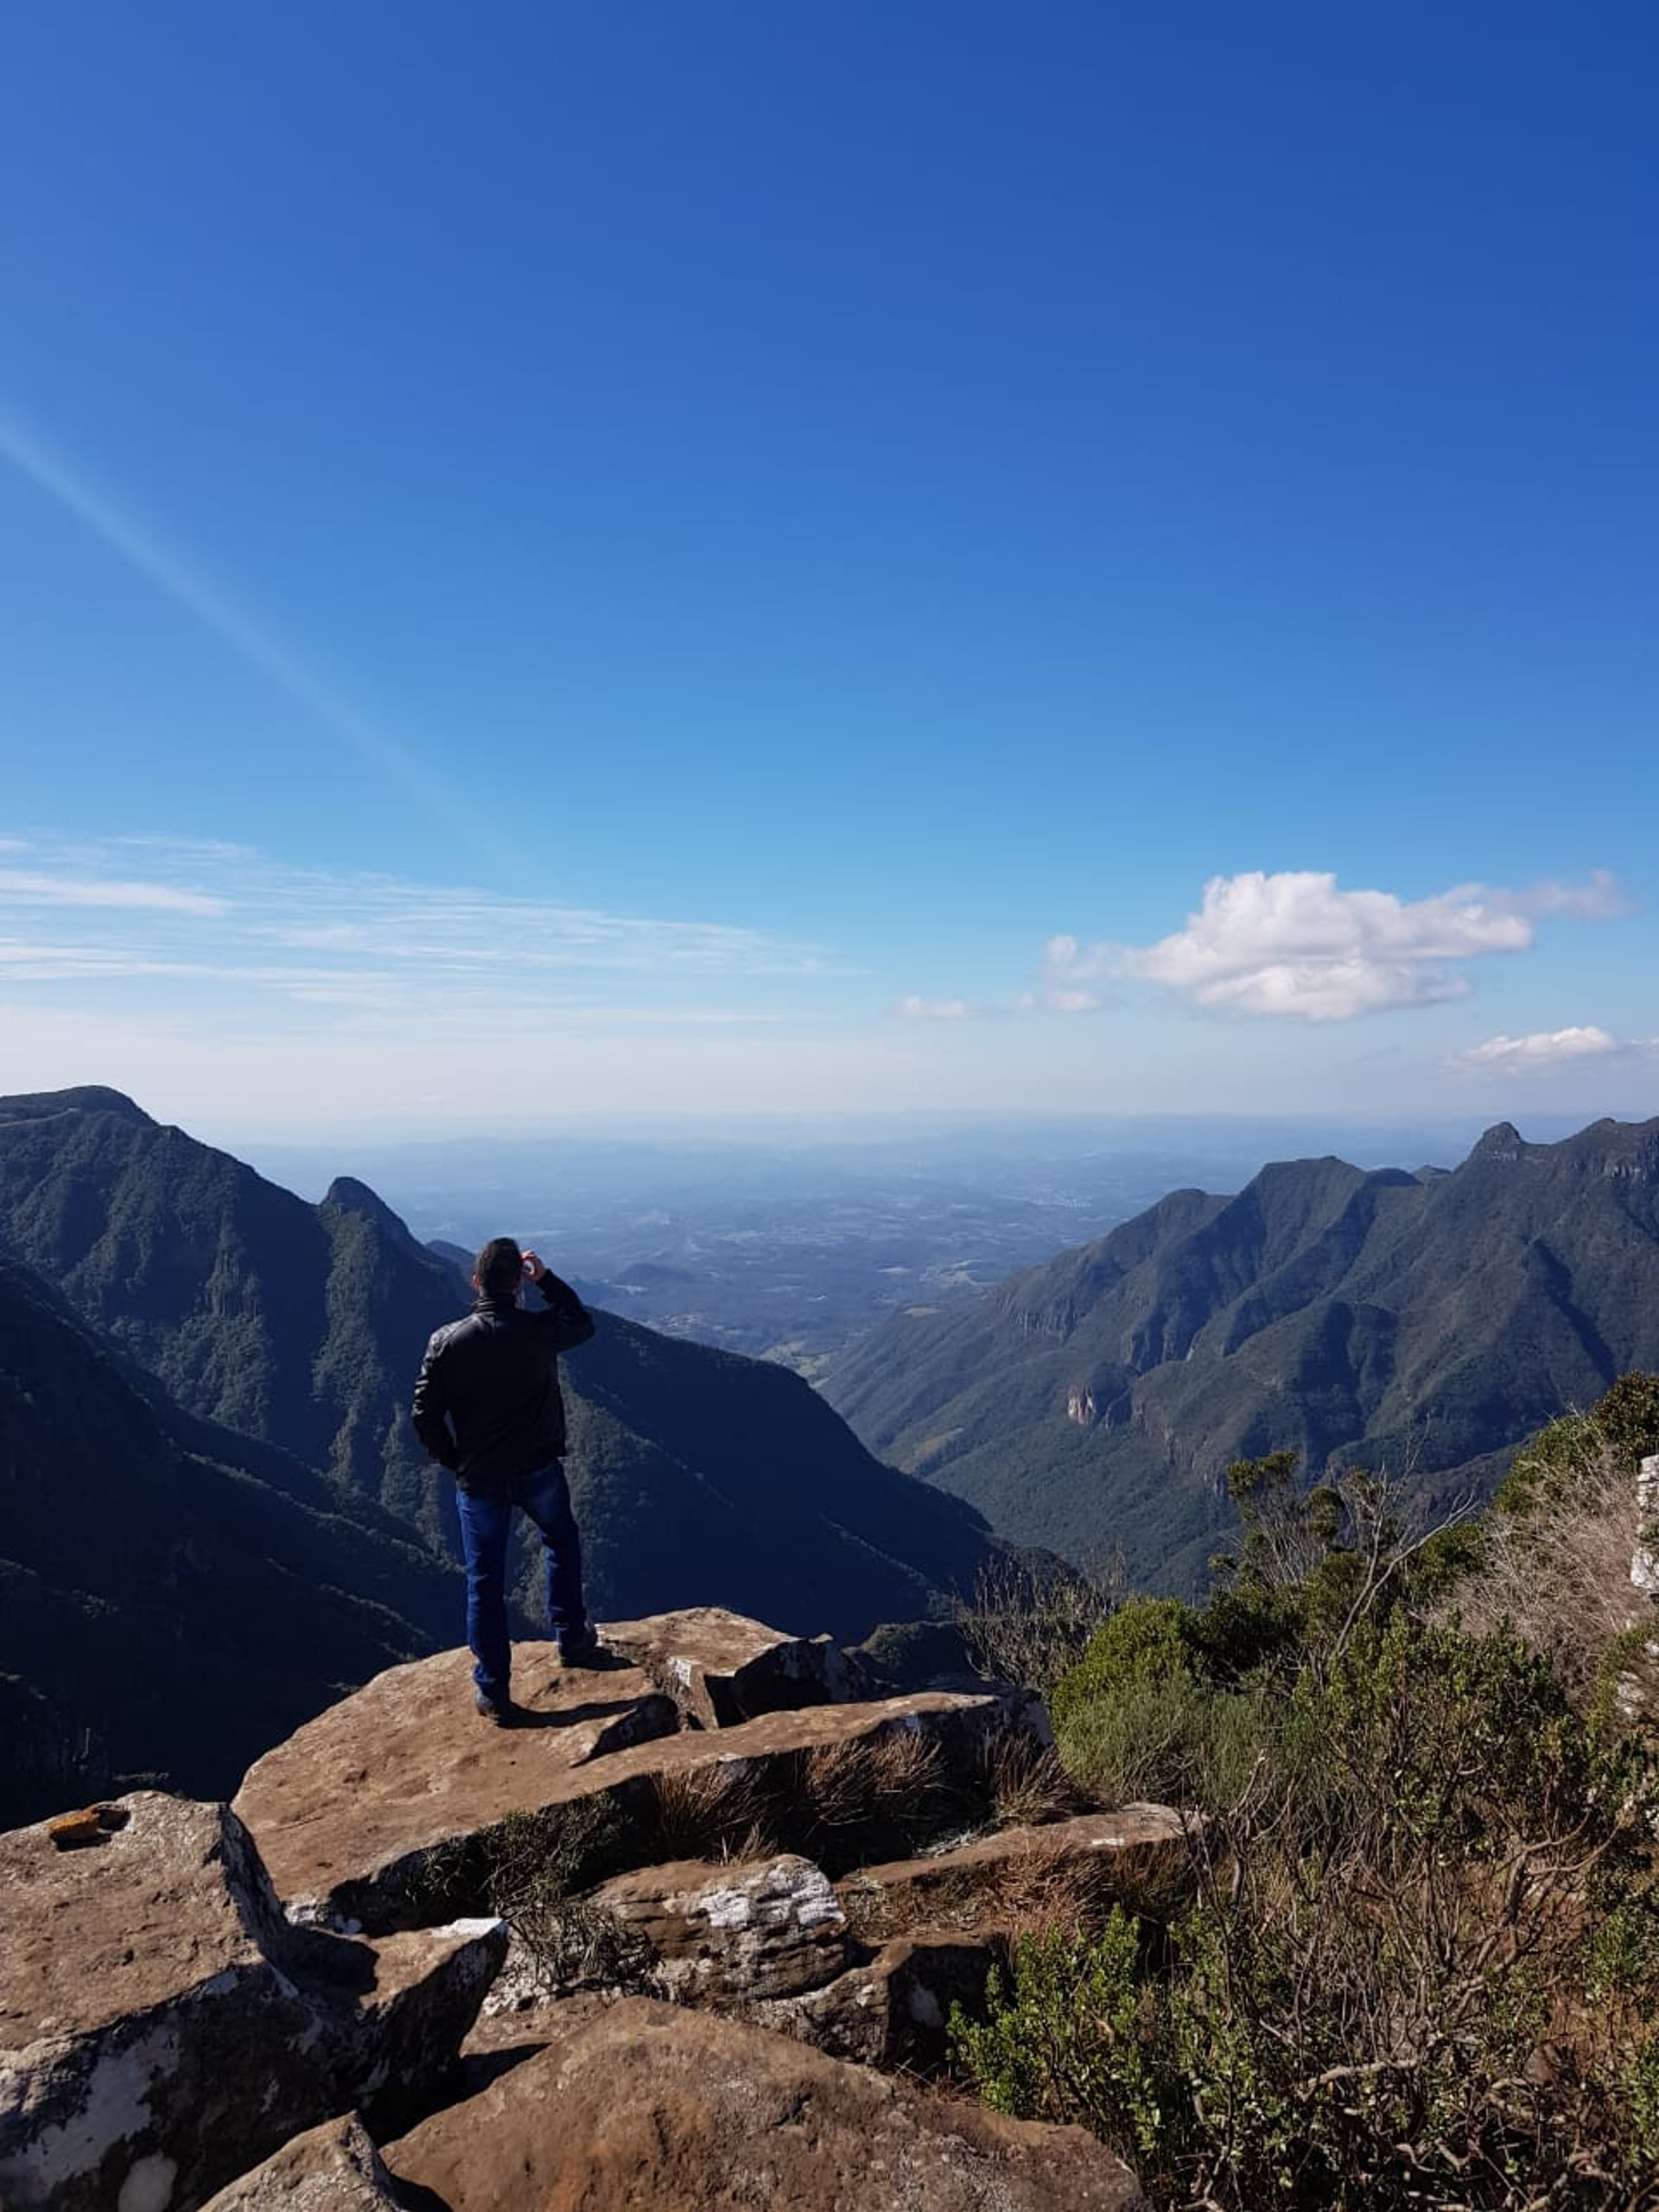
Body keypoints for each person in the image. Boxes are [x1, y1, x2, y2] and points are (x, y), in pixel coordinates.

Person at [412, 1235, 601, 1722]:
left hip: (480, 1479)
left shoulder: (445, 1342)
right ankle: (571, 1639)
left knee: (485, 1581)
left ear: (475, 1282)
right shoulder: (538, 1331)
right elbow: (582, 1323)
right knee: (560, 1540)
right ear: (519, 1281)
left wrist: (454, 1460)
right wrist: (549, 1281)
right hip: (538, 1466)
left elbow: (424, 1414)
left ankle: (493, 1690)